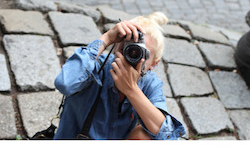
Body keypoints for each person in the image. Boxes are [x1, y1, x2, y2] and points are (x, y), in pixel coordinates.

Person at [54, 12, 185, 140]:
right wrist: (106, 38)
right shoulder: (97, 66)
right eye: (127, 48)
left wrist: (131, 89)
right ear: (116, 47)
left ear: (154, 64)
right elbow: (64, 83)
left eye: (141, 53)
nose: (131, 57)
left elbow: (168, 137)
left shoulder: (150, 83)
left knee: (144, 136)